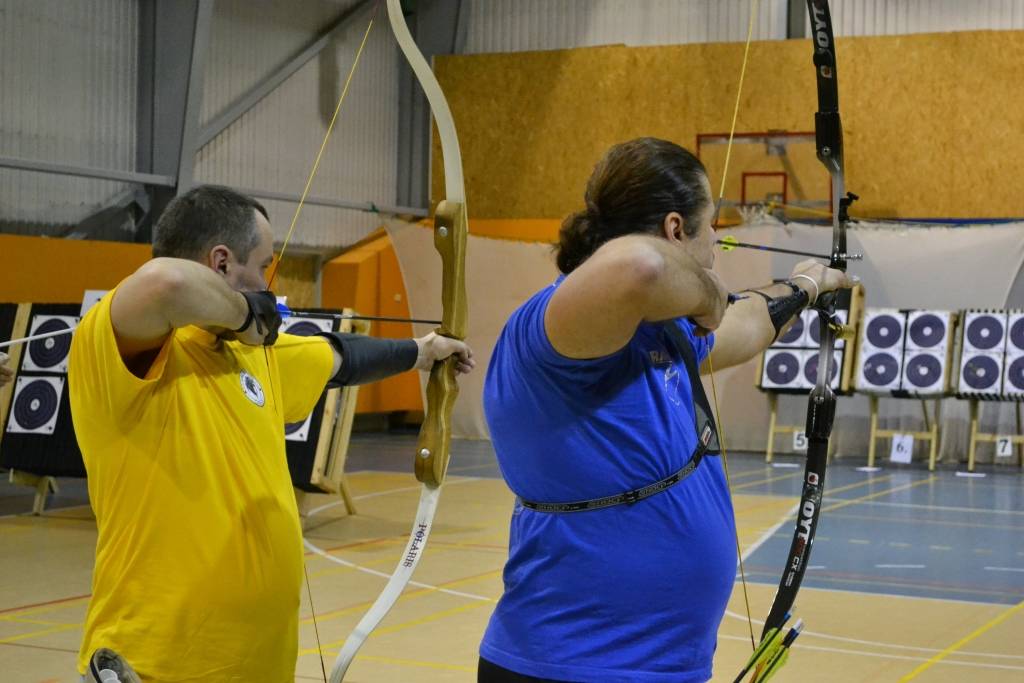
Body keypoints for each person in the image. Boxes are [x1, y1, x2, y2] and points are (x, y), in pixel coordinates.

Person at [478, 138, 854, 682]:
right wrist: (709, 296)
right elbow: (641, 267)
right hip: (571, 667)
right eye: (711, 228)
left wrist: (805, 286)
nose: (718, 242)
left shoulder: (660, 335)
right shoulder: (558, 327)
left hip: (664, 669)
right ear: (677, 230)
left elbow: (747, 326)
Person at [67, 185, 474, 682]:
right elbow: (164, 284)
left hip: (257, 665)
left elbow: (339, 357)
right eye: (263, 266)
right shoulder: (122, 349)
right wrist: (244, 314)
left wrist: (423, 350)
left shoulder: (253, 356)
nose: (267, 282)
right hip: (157, 663)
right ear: (220, 263)